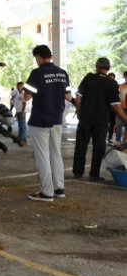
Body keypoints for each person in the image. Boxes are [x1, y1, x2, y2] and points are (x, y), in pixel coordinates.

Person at [24, 45, 72, 202]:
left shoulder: (37, 73)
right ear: (50, 56)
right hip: (57, 120)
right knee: (56, 154)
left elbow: (26, 97)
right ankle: (59, 189)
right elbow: (68, 96)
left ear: (38, 57)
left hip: (40, 120)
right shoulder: (62, 73)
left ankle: (46, 192)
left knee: (42, 156)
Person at [72, 58, 127, 182]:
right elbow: (116, 107)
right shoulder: (112, 83)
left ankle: (78, 172)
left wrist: (79, 112)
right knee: (99, 147)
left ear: (97, 66)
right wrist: (126, 119)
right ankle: (94, 174)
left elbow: (78, 98)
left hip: (85, 118)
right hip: (101, 120)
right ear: (108, 68)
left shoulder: (88, 78)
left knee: (81, 145)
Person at [116, 71, 127, 143]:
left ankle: (124, 142)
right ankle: (118, 141)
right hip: (121, 108)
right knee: (119, 125)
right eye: (125, 76)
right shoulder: (120, 86)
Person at [107, 72, 117, 144]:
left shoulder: (116, 85)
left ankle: (110, 137)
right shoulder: (104, 85)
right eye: (110, 78)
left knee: (112, 123)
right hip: (105, 108)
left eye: (112, 79)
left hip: (113, 109)